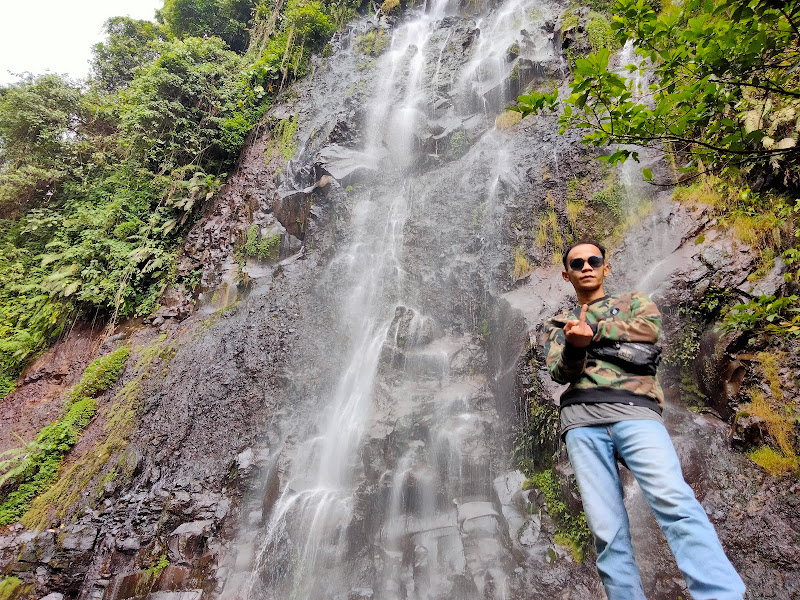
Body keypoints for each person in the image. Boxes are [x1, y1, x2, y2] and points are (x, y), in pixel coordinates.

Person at [541, 240, 745, 600]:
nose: (586, 266)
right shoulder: (560, 324)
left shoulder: (635, 301)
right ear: (566, 274)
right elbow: (561, 373)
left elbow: (648, 335)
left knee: (674, 501)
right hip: (580, 422)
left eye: (594, 260)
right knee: (606, 531)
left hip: (636, 413)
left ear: (606, 267)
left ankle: (721, 594)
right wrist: (575, 345)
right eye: (577, 263)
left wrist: (593, 336)